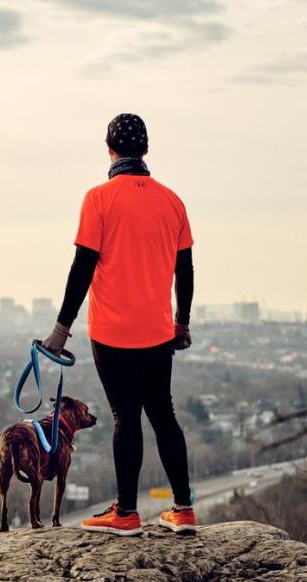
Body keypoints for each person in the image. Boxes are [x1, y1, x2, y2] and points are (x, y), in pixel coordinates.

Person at [40, 113, 196, 536]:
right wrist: (181, 322)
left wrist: (61, 328)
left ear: (109, 149)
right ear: (145, 150)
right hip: (158, 330)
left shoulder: (98, 198)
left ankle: (126, 512)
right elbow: (185, 269)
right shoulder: (172, 201)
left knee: (125, 416)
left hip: (112, 332)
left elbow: (82, 267)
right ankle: (183, 509)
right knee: (163, 414)